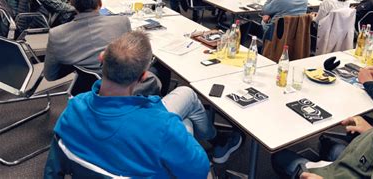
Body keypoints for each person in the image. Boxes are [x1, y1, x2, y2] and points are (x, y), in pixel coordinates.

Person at [44, 31, 242, 178]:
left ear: (101, 58)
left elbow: (53, 170)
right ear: (144, 76)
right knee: (185, 122)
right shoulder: (162, 126)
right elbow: (198, 172)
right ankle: (218, 143)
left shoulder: (73, 109)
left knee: (184, 107)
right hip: (155, 135)